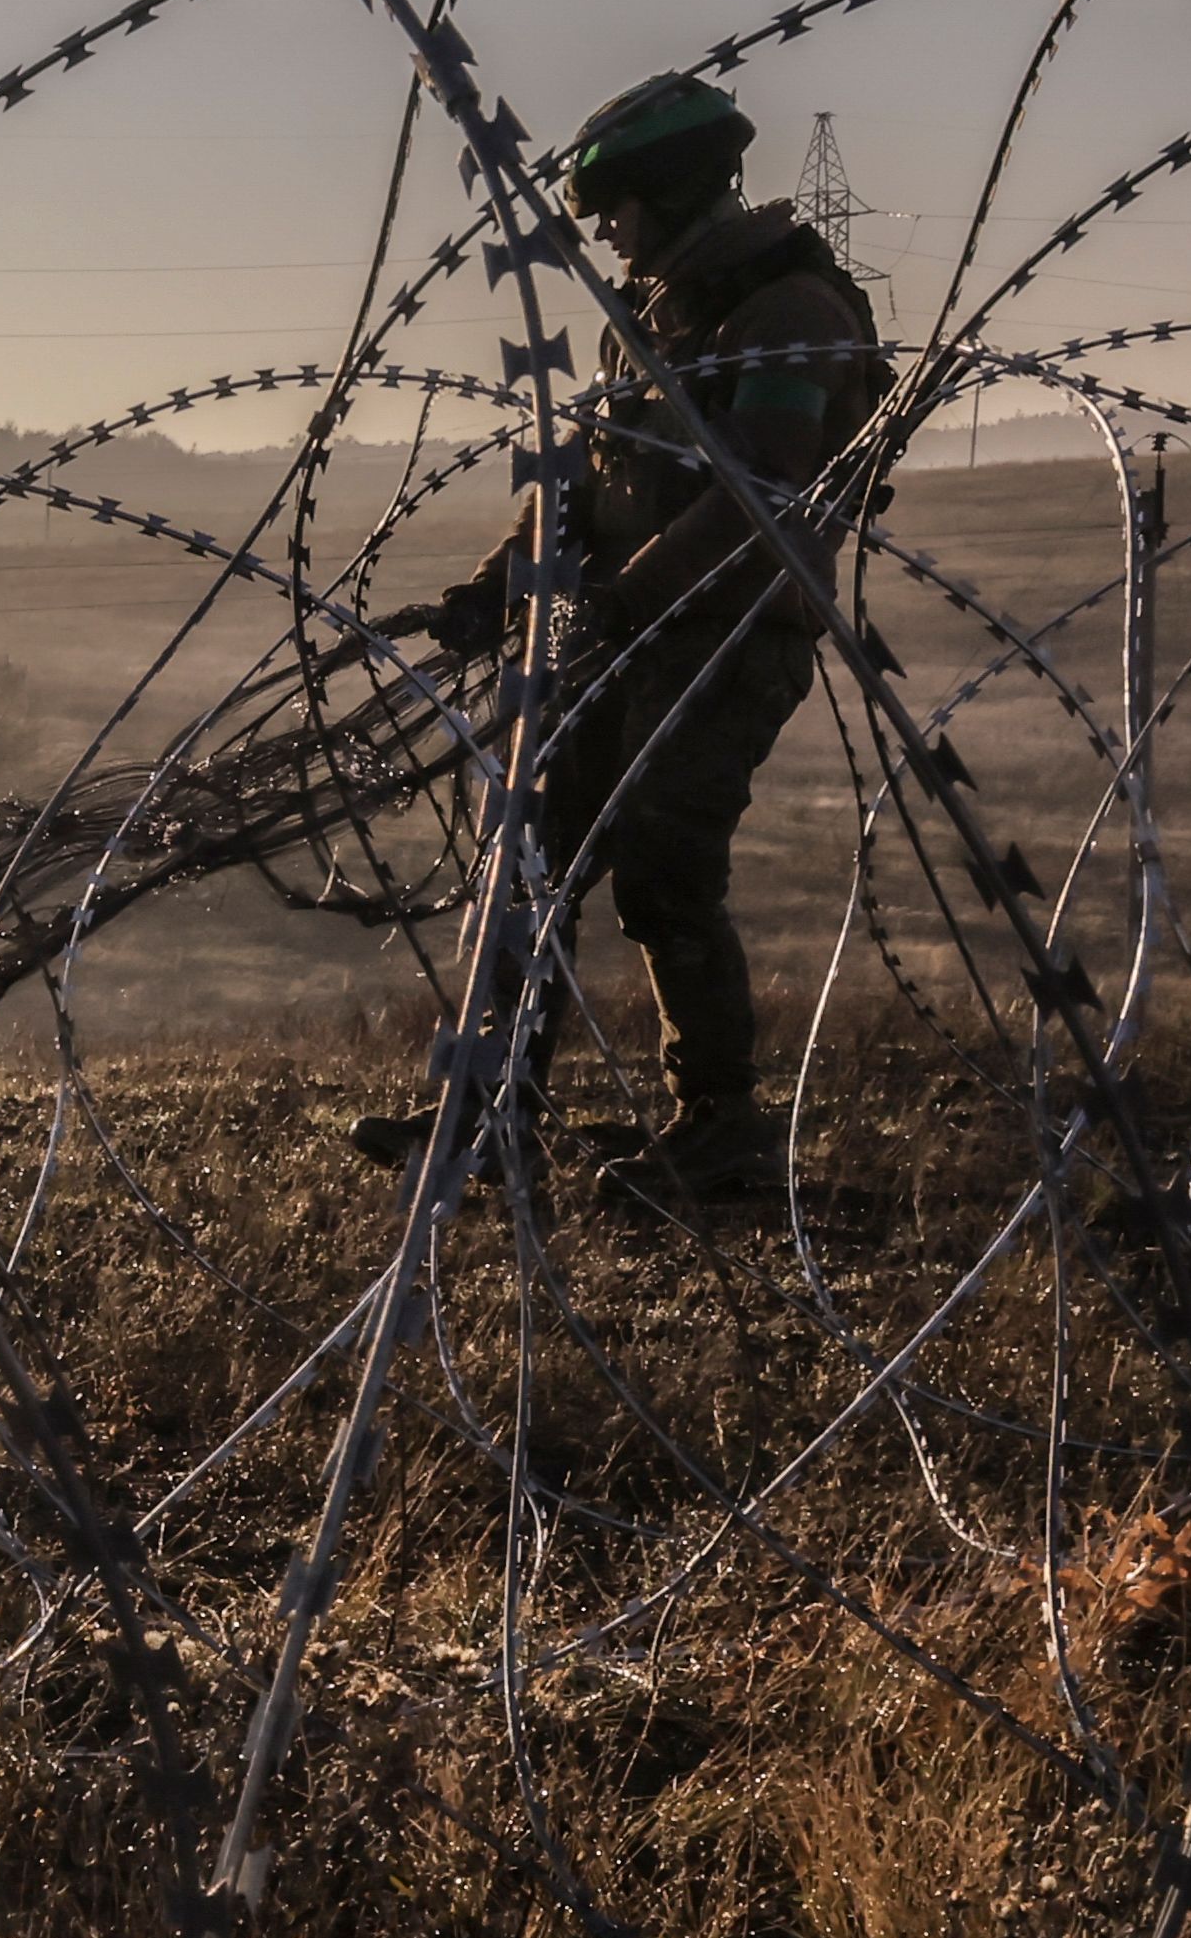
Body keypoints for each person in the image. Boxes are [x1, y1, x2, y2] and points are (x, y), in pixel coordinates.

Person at [357, 70, 887, 1212]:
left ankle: (722, 1130)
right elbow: (579, 483)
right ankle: (490, 1108)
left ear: (669, 188)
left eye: (615, 206)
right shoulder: (645, 322)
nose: (602, 230)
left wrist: (629, 596)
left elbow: (764, 485)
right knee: (531, 855)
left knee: (663, 863)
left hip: (729, 638)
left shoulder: (792, 312)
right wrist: (500, 580)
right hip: (619, 633)